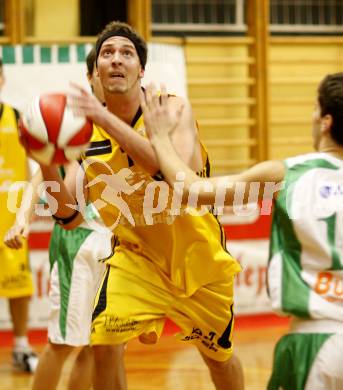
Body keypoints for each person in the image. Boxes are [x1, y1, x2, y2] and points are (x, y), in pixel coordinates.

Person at [31, 21, 244, 390]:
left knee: (219, 360)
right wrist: (45, 158)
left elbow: (178, 176)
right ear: (96, 70)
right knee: (104, 343)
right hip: (136, 259)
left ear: (140, 70)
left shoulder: (170, 108)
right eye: (107, 53)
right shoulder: (85, 135)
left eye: (126, 53)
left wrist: (104, 119)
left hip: (196, 257)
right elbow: (68, 215)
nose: (116, 60)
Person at [141, 75, 343, 390]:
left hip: (316, 341)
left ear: (326, 121)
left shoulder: (287, 174)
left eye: (315, 109)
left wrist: (161, 138)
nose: (312, 117)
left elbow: (194, 190)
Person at [5, 48, 113, 390]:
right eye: (102, 67)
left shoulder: (129, 122)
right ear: (90, 78)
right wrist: (22, 218)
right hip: (77, 239)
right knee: (66, 341)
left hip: (116, 239)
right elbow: (42, 174)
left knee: (106, 345)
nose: (112, 70)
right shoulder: (73, 120)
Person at [0, 57, 39, 373]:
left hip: (9, 220)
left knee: (18, 285)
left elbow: (30, 169)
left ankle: (22, 343)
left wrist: (30, 209)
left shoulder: (16, 119)